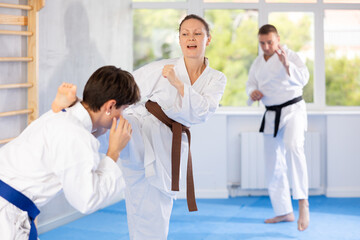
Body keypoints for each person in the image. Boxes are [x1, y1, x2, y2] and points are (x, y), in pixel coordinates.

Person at [52, 14, 227, 240]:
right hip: (142, 127)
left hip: (168, 143)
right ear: (180, 39)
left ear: (208, 39)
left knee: (155, 209)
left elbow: (202, 112)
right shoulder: (161, 68)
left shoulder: (216, 79)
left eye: (197, 33)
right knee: (109, 122)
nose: (190, 38)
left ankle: (76, 122)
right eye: (185, 34)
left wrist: (177, 83)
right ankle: (70, 116)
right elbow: (126, 91)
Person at [0, 66, 140, 240]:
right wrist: (114, 152)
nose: (123, 116)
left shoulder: (64, 115)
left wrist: (99, 131)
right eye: (123, 109)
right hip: (6, 214)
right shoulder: (75, 136)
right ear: (110, 106)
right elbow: (86, 200)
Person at [246, 24, 310, 231]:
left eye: (269, 42)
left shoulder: (291, 55)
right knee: (273, 164)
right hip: (272, 114)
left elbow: (304, 79)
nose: (266, 46)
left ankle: (302, 202)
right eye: (262, 43)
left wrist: (287, 65)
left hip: (293, 110)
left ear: (278, 39)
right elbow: (250, 84)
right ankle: (284, 211)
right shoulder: (257, 63)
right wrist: (253, 93)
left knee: (294, 146)